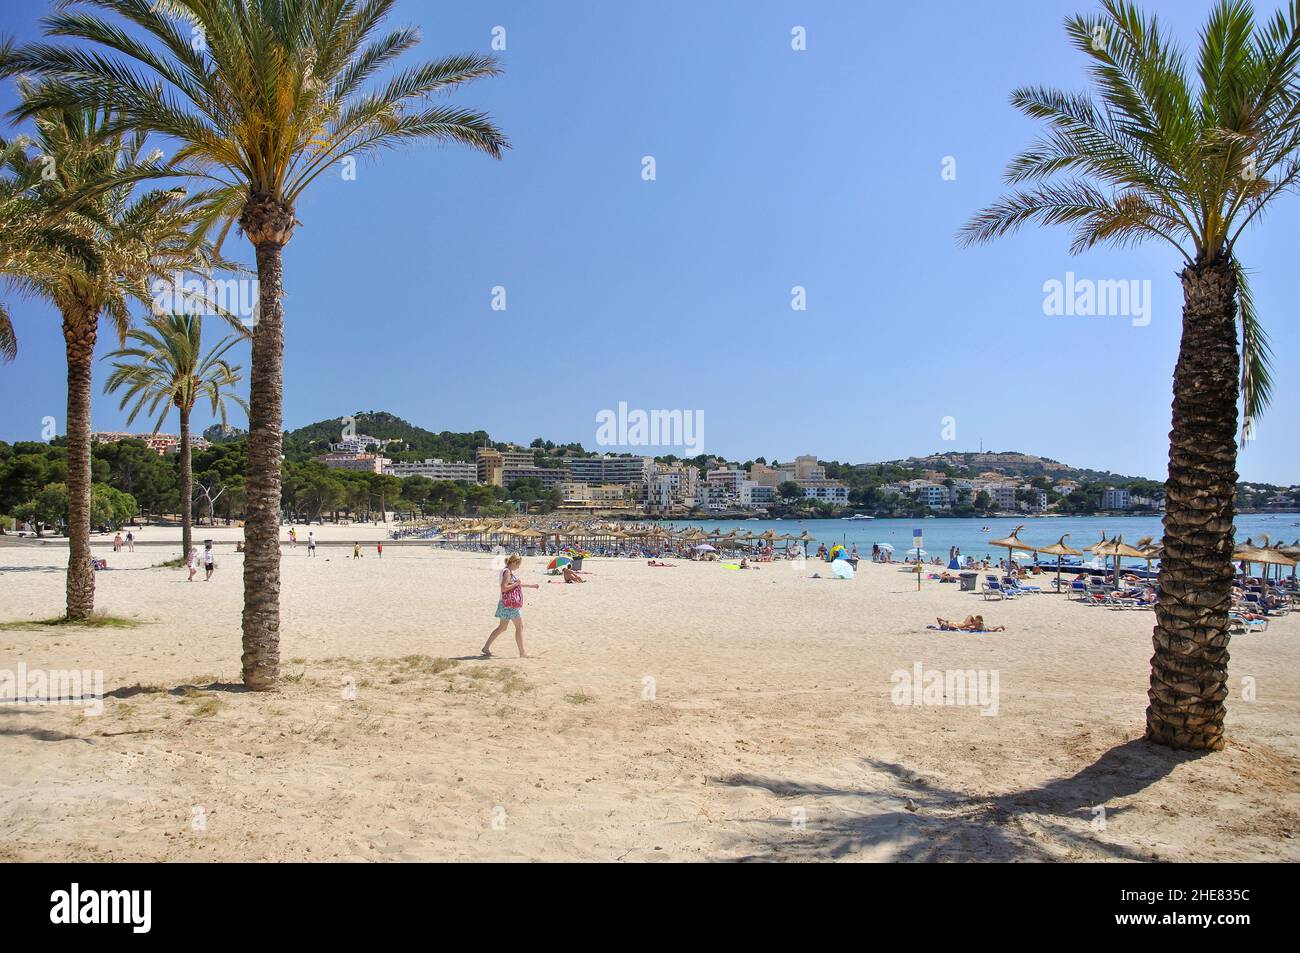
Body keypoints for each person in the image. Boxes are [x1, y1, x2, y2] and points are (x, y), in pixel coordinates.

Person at [482, 555, 538, 658]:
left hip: (504, 603)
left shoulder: (506, 571)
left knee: (502, 627)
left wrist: (531, 586)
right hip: (510, 604)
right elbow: (504, 588)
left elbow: (515, 585)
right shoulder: (507, 572)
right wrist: (516, 584)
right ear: (514, 562)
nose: (518, 567)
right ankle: (522, 653)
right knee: (519, 626)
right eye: (518, 564)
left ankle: (486, 648)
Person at [936, 615, 1004, 632]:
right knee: (992, 629)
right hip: (962, 625)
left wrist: (1000, 626)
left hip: (962, 625)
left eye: (976, 620)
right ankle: (999, 628)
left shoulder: (980, 626)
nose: (975, 621)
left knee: (992, 629)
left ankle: (999, 627)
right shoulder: (977, 624)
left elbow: (967, 628)